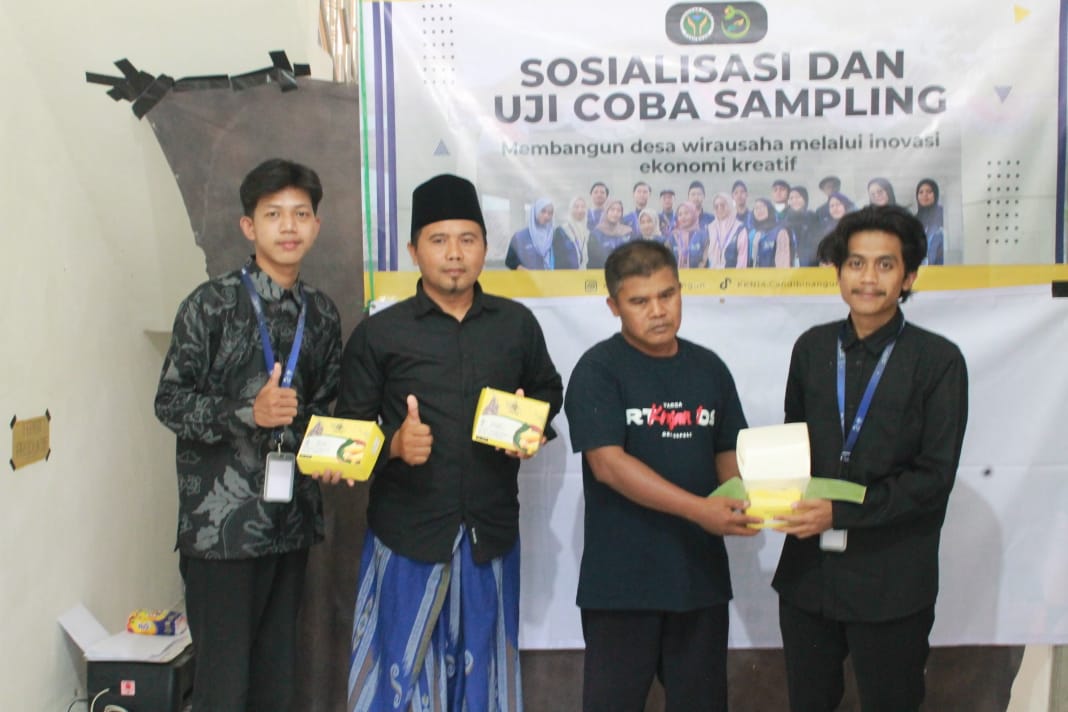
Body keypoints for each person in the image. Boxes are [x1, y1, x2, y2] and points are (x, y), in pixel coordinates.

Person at [335, 173, 564, 712]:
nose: (455, 254)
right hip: (408, 536)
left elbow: (548, 390)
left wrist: (530, 430)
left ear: (485, 246)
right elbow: (348, 431)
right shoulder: (380, 333)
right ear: (414, 251)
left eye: (468, 239)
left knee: (484, 677)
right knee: (401, 680)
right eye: (439, 240)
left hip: (489, 533)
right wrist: (393, 445)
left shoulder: (516, 325)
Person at [154, 158, 342, 710]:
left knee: (276, 685)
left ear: (316, 225)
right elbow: (169, 402)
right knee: (223, 688)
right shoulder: (210, 305)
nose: (289, 227)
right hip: (222, 534)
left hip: (291, 525)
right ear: (248, 226)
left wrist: (334, 455)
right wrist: (247, 413)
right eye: (273, 214)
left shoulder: (322, 314)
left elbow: (321, 410)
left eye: (300, 214)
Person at [773, 205, 968, 712]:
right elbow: (794, 447)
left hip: (892, 580)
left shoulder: (938, 361)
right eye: (856, 263)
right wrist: (767, 495)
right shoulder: (811, 348)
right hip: (808, 577)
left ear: (909, 276)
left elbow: (933, 479)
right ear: (838, 271)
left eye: (885, 265)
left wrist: (839, 512)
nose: (868, 278)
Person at [565, 239, 760, 712]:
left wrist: (750, 500)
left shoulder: (709, 367)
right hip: (622, 584)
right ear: (613, 306)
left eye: (667, 295)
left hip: (698, 580)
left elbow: (728, 451)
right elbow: (608, 465)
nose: (658, 311)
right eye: (639, 301)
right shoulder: (597, 370)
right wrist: (701, 510)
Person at [505, 197, 555, 269]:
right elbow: (509, 261)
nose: (546, 216)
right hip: (528, 276)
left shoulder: (555, 236)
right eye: (543, 211)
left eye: (550, 213)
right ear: (536, 212)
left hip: (551, 276)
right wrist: (520, 268)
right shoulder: (520, 237)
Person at [588, 197, 634, 269]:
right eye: (612, 210)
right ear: (606, 211)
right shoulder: (596, 234)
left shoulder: (628, 232)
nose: (615, 213)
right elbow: (594, 259)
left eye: (619, 210)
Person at [707, 192, 749, 268]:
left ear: (729, 205)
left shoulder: (739, 228)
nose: (719, 208)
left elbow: (742, 258)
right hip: (712, 273)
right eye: (716, 206)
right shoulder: (710, 228)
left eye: (722, 205)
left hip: (733, 274)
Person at [749, 197, 794, 268]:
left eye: (762, 207)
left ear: (769, 210)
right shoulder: (756, 234)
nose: (759, 210)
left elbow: (783, 263)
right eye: (756, 208)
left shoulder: (780, 232)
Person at [665, 200, 709, 268]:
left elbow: (706, 258)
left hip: (699, 274)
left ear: (694, 214)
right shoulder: (673, 236)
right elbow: (666, 257)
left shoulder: (703, 236)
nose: (683, 217)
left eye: (686, 213)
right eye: (680, 214)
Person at [785, 186, 820, 267]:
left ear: (805, 199)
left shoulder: (813, 217)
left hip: (810, 264)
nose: (794, 200)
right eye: (791, 198)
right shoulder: (785, 220)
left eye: (798, 197)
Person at [552, 195, 590, 269]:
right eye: (576, 207)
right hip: (567, 274)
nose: (580, 210)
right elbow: (558, 260)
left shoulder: (588, 232)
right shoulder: (561, 231)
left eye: (583, 207)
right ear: (571, 209)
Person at [915, 178, 945, 265]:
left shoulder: (943, 215)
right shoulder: (914, 220)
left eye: (929, 191)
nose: (925, 195)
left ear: (935, 194)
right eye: (921, 192)